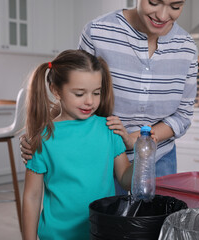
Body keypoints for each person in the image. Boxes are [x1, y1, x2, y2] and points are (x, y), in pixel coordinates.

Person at [21, 0, 198, 194]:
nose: (163, 16)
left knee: (157, 223)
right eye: (154, 2)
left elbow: (182, 115)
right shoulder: (98, 32)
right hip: (100, 158)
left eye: (175, 6)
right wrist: (43, 134)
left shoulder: (187, 47)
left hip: (159, 159)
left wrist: (141, 141)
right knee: (105, 223)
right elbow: (74, 92)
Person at [21, 49, 134, 240]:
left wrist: (145, 156)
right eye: (80, 93)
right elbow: (32, 197)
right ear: (56, 91)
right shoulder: (43, 138)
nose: (89, 101)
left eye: (96, 93)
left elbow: (125, 178)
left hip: (102, 232)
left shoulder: (108, 128)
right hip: (57, 236)